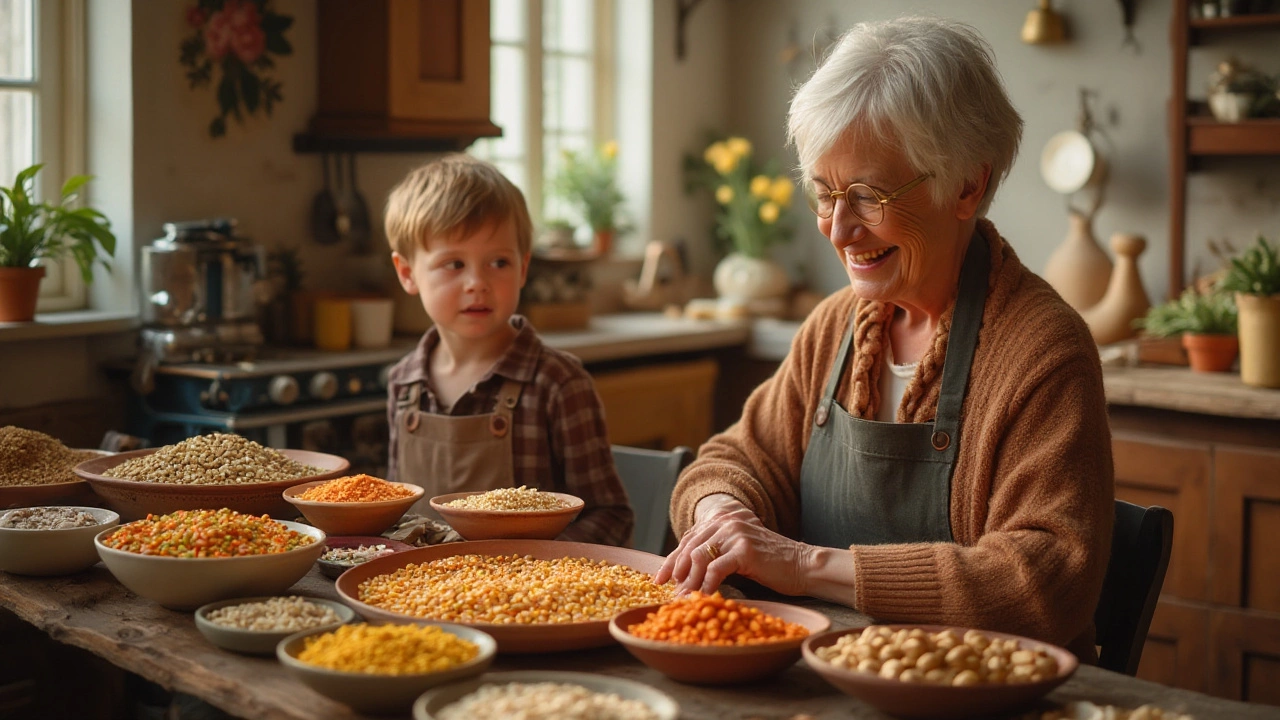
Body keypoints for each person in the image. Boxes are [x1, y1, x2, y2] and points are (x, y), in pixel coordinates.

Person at [656, 16, 1113, 660]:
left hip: (978, 694)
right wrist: (721, 518)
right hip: (829, 680)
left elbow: (1040, 582)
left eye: (867, 196)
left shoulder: (1042, 351)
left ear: (966, 185)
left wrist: (806, 565)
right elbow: (731, 462)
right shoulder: (834, 327)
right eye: (824, 193)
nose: (840, 230)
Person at [383, 154, 633, 546]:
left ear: (523, 268)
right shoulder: (403, 383)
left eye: (498, 262)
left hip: (523, 599)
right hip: (420, 596)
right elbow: (398, 513)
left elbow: (611, 518)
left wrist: (536, 563)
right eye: (453, 264)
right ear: (407, 273)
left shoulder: (557, 383)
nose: (477, 283)